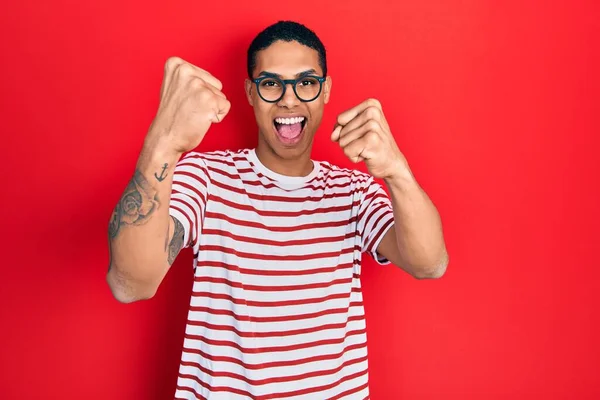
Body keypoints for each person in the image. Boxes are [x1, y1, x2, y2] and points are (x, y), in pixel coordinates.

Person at [107, 20, 448, 400]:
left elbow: (429, 263)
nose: (289, 99)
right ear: (251, 93)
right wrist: (164, 142)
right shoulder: (205, 178)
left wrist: (396, 170)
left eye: (306, 82)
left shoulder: (353, 191)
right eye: (271, 83)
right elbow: (130, 284)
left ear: (326, 90)